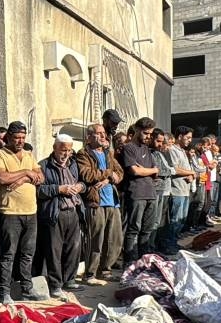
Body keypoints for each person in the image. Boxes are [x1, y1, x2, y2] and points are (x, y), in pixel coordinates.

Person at [0, 121, 43, 304]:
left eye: (23, 137)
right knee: (8, 254)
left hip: (31, 211)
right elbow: (2, 177)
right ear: (9, 138)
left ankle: (27, 288)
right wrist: (27, 172)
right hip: (10, 212)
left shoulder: (29, 154)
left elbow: (40, 177)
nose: (20, 141)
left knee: (28, 253)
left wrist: (22, 179)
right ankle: (4, 291)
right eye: (16, 138)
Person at [37, 134, 86, 299]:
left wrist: (80, 187)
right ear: (55, 148)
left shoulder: (73, 165)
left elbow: (83, 183)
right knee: (54, 251)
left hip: (73, 211)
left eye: (69, 150)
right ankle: (55, 285)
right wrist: (59, 189)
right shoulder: (44, 165)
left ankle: (69, 280)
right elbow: (39, 191)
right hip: (55, 213)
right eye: (63, 150)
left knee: (73, 248)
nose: (66, 154)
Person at [75, 123, 124, 284]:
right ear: (89, 137)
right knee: (96, 239)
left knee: (114, 239)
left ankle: (106, 270)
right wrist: (109, 174)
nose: (103, 136)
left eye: (103, 132)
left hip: (112, 202)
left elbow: (120, 172)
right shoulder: (83, 154)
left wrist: (109, 179)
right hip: (96, 202)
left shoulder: (108, 153)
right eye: (99, 133)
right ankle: (90, 273)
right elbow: (87, 175)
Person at [119, 117, 159, 264]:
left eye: (150, 134)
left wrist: (147, 170)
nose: (148, 137)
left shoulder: (147, 149)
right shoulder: (129, 148)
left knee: (147, 230)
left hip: (151, 193)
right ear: (137, 130)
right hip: (136, 193)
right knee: (133, 229)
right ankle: (130, 262)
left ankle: (145, 261)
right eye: (145, 133)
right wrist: (150, 170)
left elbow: (157, 171)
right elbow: (134, 171)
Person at [166, 127, 196, 252]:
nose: (189, 140)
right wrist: (191, 173)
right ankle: (169, 244)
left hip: (185, 190)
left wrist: (191, 175)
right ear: (179, 137)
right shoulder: (172, 150)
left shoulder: (183, 151)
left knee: (181, 219)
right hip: (176, 190)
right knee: (175, 220)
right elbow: (175, 169)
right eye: (187, 137)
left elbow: (186, 169)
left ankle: (174, 242)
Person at [148, 129, 175, 254]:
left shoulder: (159, 153)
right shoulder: (151, 153)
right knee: (152, 221)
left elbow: (167, 169)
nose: (161, 145)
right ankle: (149, 247)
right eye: (159, 141)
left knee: (158, 221)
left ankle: (154, 246)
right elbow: (162, 171)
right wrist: (168, 171)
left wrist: (168, 171)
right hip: (154, 190)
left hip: (161, 189)